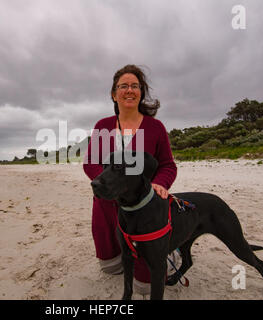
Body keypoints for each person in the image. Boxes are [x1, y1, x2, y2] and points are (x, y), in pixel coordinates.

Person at [83, 64, 178, 295]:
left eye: (135, 86)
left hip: (144, 208)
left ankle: (168, 250)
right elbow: (90, 162)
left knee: (144, 287)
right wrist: (110, 185)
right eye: (123, 86)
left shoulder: (155, 127)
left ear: (141, 92)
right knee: (111, 267)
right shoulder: (102, 126)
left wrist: (160, 184)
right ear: (114, 94)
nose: (129, 90)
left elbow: (167, 165)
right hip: (107, 205)